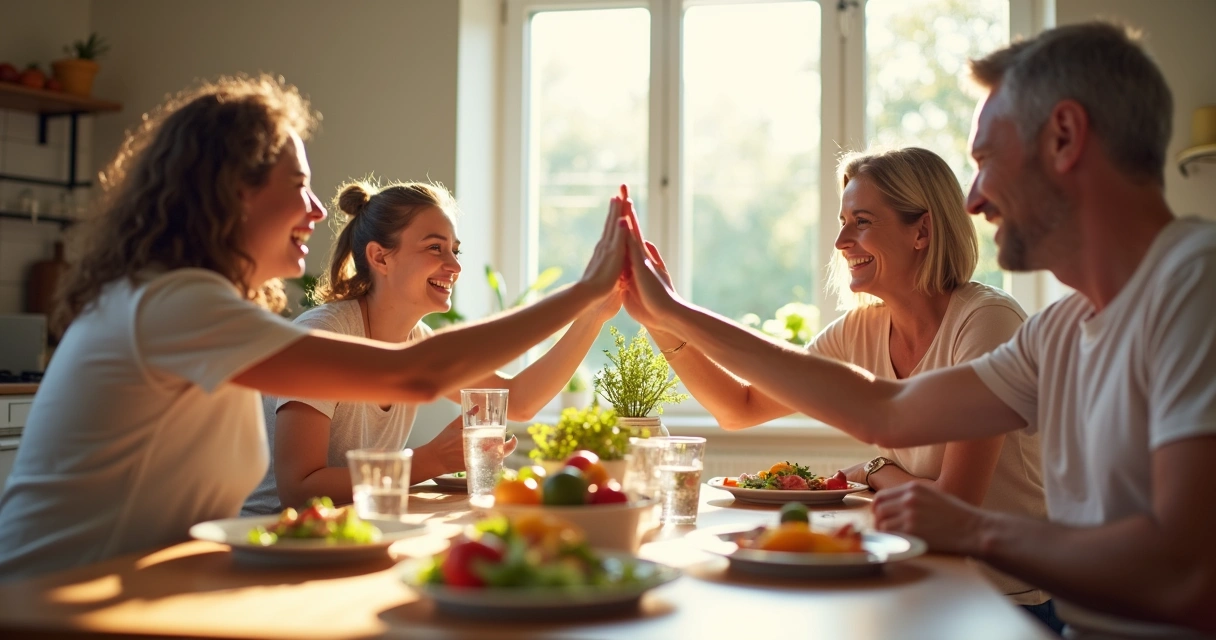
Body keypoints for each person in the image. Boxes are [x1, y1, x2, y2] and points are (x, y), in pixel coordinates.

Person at [621, 21, 1216, 638]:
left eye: (985, 160)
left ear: (1064, 137)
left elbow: (1185, 576)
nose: (976, 200)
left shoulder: (1196, 286)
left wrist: (972, 528)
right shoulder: (1061, 331)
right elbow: (890, 411)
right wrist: (671, 313)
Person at [0, 74, 629, 580]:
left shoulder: (192, 302)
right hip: (47, 603)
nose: (320, 210)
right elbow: (413, 380)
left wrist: (593, 311)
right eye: (299, 186)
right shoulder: (174, 304)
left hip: (137, 588)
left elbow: (500, 395)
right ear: (232, 192)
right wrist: (584, 289)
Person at [623, 147, 1058, 627]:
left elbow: (950, 508)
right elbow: (738, 406)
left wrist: (875, 469)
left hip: (1003, 602)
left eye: (862, 221)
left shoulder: (986, 321)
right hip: (921, 580)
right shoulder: (861, 330)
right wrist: (659, 322)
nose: (840, 240)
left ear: (923, 231)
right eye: (843, 220)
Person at [242, 180, 620, 515]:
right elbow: (299, 490)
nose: (454, 265)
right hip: (267, 541)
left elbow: (517, 401)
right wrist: (430, 460)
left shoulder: (417, 339)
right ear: (380, 257)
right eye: (435, 248)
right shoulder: (325, 333)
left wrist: (593, 316)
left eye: (455, 250)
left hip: (352, 533)